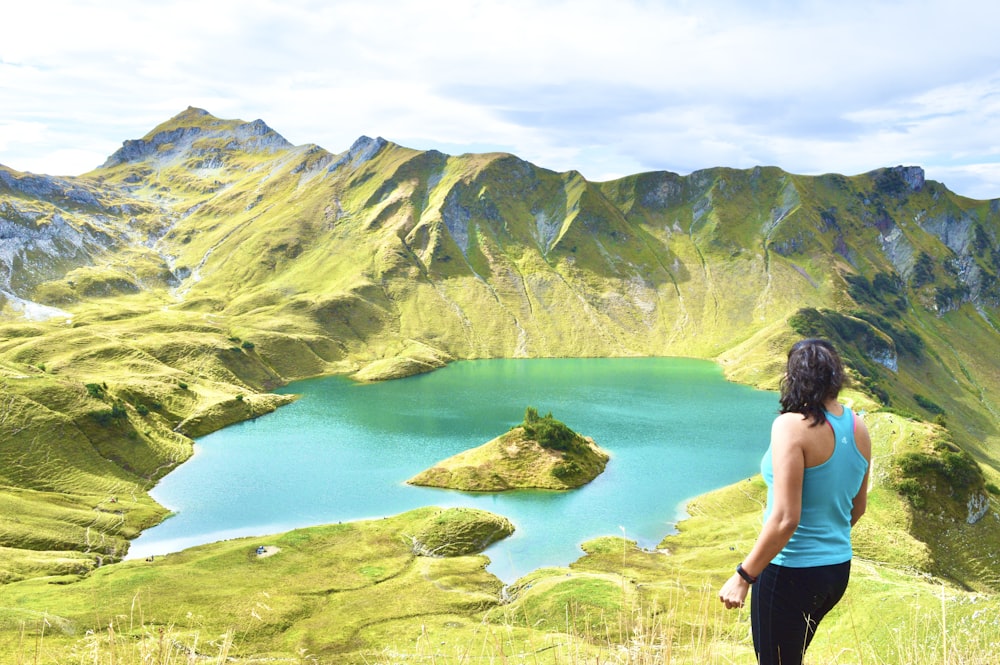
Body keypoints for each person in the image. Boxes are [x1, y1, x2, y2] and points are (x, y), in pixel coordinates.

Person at [718, 338, 871, 665]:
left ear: (795, 377)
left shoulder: (790, 426)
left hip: (790, 573)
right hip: (835, 571)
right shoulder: (858, 425)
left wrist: (743, 576)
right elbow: (857, 508)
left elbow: (786, 518)